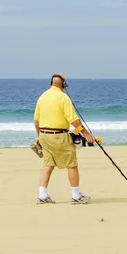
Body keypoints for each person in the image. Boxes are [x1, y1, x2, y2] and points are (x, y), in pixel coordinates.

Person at [33, 73, 95, 205]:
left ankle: (42, 195)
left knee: (48, 164)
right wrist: (86, 134)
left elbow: (36, 120)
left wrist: (39, 136)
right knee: (71, 164)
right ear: (64, 84)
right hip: (59, 136)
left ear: (51, 83)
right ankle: (76, 196)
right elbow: (73, 120)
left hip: (44, 135)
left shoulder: (42, 97)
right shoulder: (63, 97)